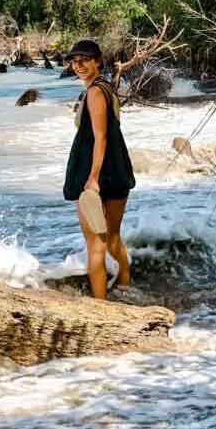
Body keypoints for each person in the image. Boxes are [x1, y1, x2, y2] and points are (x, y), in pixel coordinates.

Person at [63, 39, 136, 299]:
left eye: (84, 60)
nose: (78, 65)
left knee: (95, 244)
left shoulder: (94, 92)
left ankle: (101, 308)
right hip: (117, 170)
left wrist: (92, 179)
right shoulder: (106, 88)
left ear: (98, 61)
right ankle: (125, 282)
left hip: (95, 175)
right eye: (74, 61)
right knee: (112, 238)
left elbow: (100, 137)